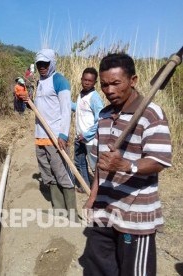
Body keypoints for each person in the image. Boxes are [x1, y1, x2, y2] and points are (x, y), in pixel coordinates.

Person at [82, 53, 172, 275]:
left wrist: (125, 165)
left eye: (115, 83)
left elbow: (159, 160)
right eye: (104, 85)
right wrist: (92, 198)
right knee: (97, 268)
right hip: (104, 209)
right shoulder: (103, 115)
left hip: (135, 214)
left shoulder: (151, 114)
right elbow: (100, 164)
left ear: (133, 80)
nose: (109, 90)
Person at [31, 48, 77, 220]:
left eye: (45, 64)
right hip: (40, 136)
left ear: (52, 63)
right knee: (48, 174)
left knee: (62, 173)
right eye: (39, 64)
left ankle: (72, 214)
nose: (42, 67)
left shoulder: (59, 81)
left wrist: (63, 135)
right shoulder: (39, 82)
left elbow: (66, 111)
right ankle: (59, 210)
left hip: (55, 137)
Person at [71, 67, 104, 192]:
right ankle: (85, 186)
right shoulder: (81, 94)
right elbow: (78, 108)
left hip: (90, 140)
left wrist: (87, 135)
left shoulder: (94, 98)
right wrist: (66, 103)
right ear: (81, 79)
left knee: (94, 166)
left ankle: (99, 190)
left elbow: (100, 119)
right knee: (79, 162)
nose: (86, 82)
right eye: (85, 80)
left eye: (90, 81)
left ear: (95, 83)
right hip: (79, 137)